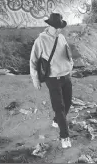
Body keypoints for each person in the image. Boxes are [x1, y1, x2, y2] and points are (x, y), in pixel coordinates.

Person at [30, 13, 74, 149]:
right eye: (55, 28)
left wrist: (70, 66)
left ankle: (56, 120)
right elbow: (33, 60)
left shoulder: (61, 37)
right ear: (49, 26)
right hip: (52, 78)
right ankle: (64, 136)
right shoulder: (41, 40)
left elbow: (68, 54)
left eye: (60, 28)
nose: (58, 30)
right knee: (59, 107)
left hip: (66, 75)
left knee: (68, 102)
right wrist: (35, 79)